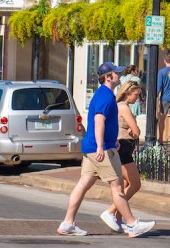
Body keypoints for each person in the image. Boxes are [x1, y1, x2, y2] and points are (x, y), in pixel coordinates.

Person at [57, 62, 155, 238]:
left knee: (82, 185)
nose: (119, 75)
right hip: (100, 150)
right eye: (116, 73)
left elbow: (105, 122)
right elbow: (99, 120)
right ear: (108, 77)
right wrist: (102, 146)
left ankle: (67, 223)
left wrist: (111, 141)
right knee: (117, 187)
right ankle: (132, 224)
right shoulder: (105, 95)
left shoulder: (104, 94)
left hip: (93, 147)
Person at [101, 80, 143, 232]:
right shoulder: (124, 107)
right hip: (123, 148)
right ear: (127, 93)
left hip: (123, 146)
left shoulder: (118, 106)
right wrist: (135, 129)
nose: (137, 98)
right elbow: (136, 131)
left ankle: (118, 220)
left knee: (125, 184)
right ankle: (110, 212)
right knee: (135, 184)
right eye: (135, 94)